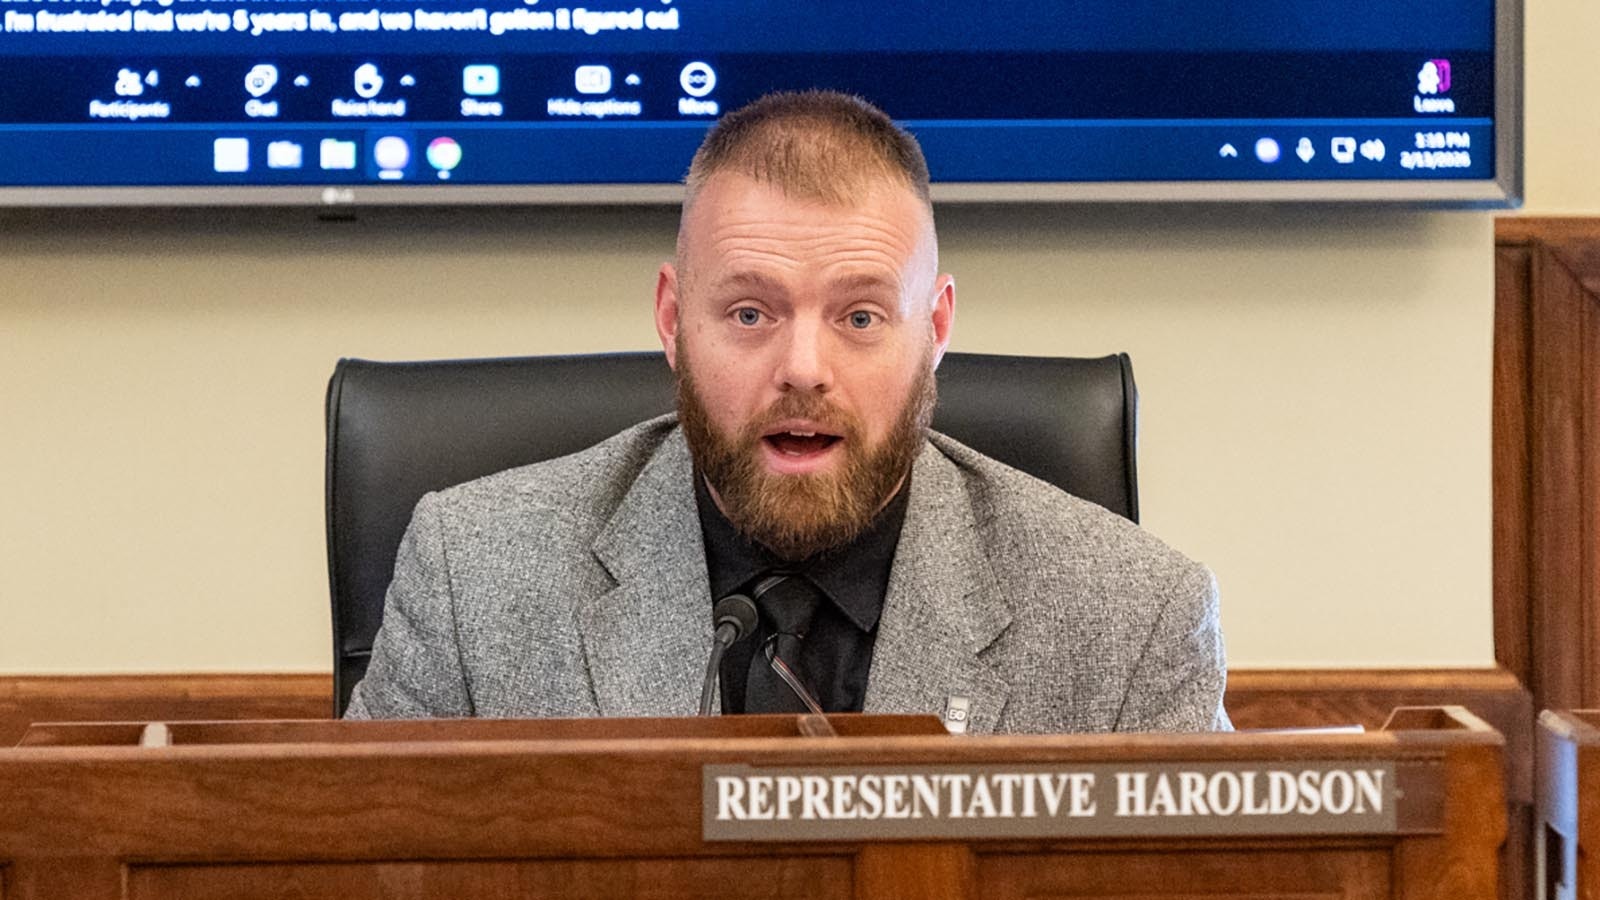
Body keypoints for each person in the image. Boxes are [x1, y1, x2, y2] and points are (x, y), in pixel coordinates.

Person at [345, 90, 1230, 733]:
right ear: (671, 321)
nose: (803, 369)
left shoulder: (1131, 618)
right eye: (749, 314)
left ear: (935, 327)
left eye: (859, 317)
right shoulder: (472, 573)